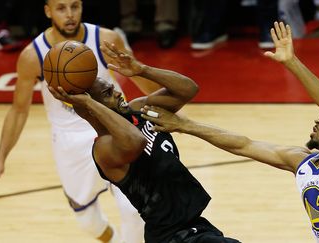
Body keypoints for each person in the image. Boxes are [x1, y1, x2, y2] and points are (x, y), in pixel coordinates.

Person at [141, 22, 319, 242]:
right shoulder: (302, 163)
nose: (318, 119)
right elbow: (243, 145)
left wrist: (292, 62)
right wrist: (186, 125)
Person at [0, 0, 161, 242]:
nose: (70, 15)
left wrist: (142, 74)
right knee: (88, 222)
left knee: (134, 209)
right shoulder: (32, 55)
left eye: (75, 6)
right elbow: (19, 110)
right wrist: (0, 158)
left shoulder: (105, 39)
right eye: (61, 8)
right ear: (47, 11)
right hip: (70, 141)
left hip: (115, 129)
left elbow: (147, 87)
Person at [47, 40, 241, 243]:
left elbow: (188, 90)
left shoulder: (138, 109)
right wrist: (87, 102)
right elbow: (135, 141)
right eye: (107, 94)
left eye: (112, 88)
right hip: (171, 235)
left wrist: (142, 69)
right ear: (93, 107)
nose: (117, 93)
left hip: (194, 224)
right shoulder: (104, 148)